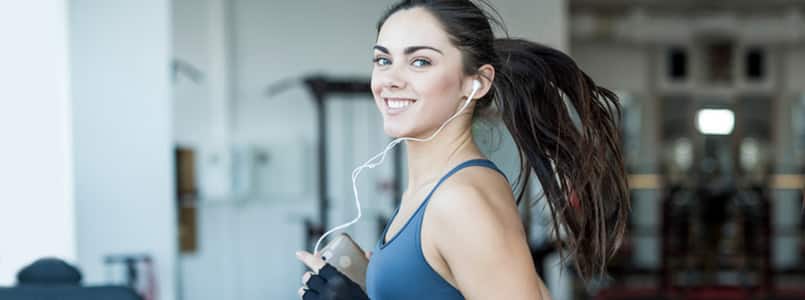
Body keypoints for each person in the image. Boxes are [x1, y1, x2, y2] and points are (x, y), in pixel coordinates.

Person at [295, 0, 629, 299]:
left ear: (477, 82)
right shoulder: (430, 190)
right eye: (383, 60)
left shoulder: (459, 200)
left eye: (420, 62)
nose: (389, 80)